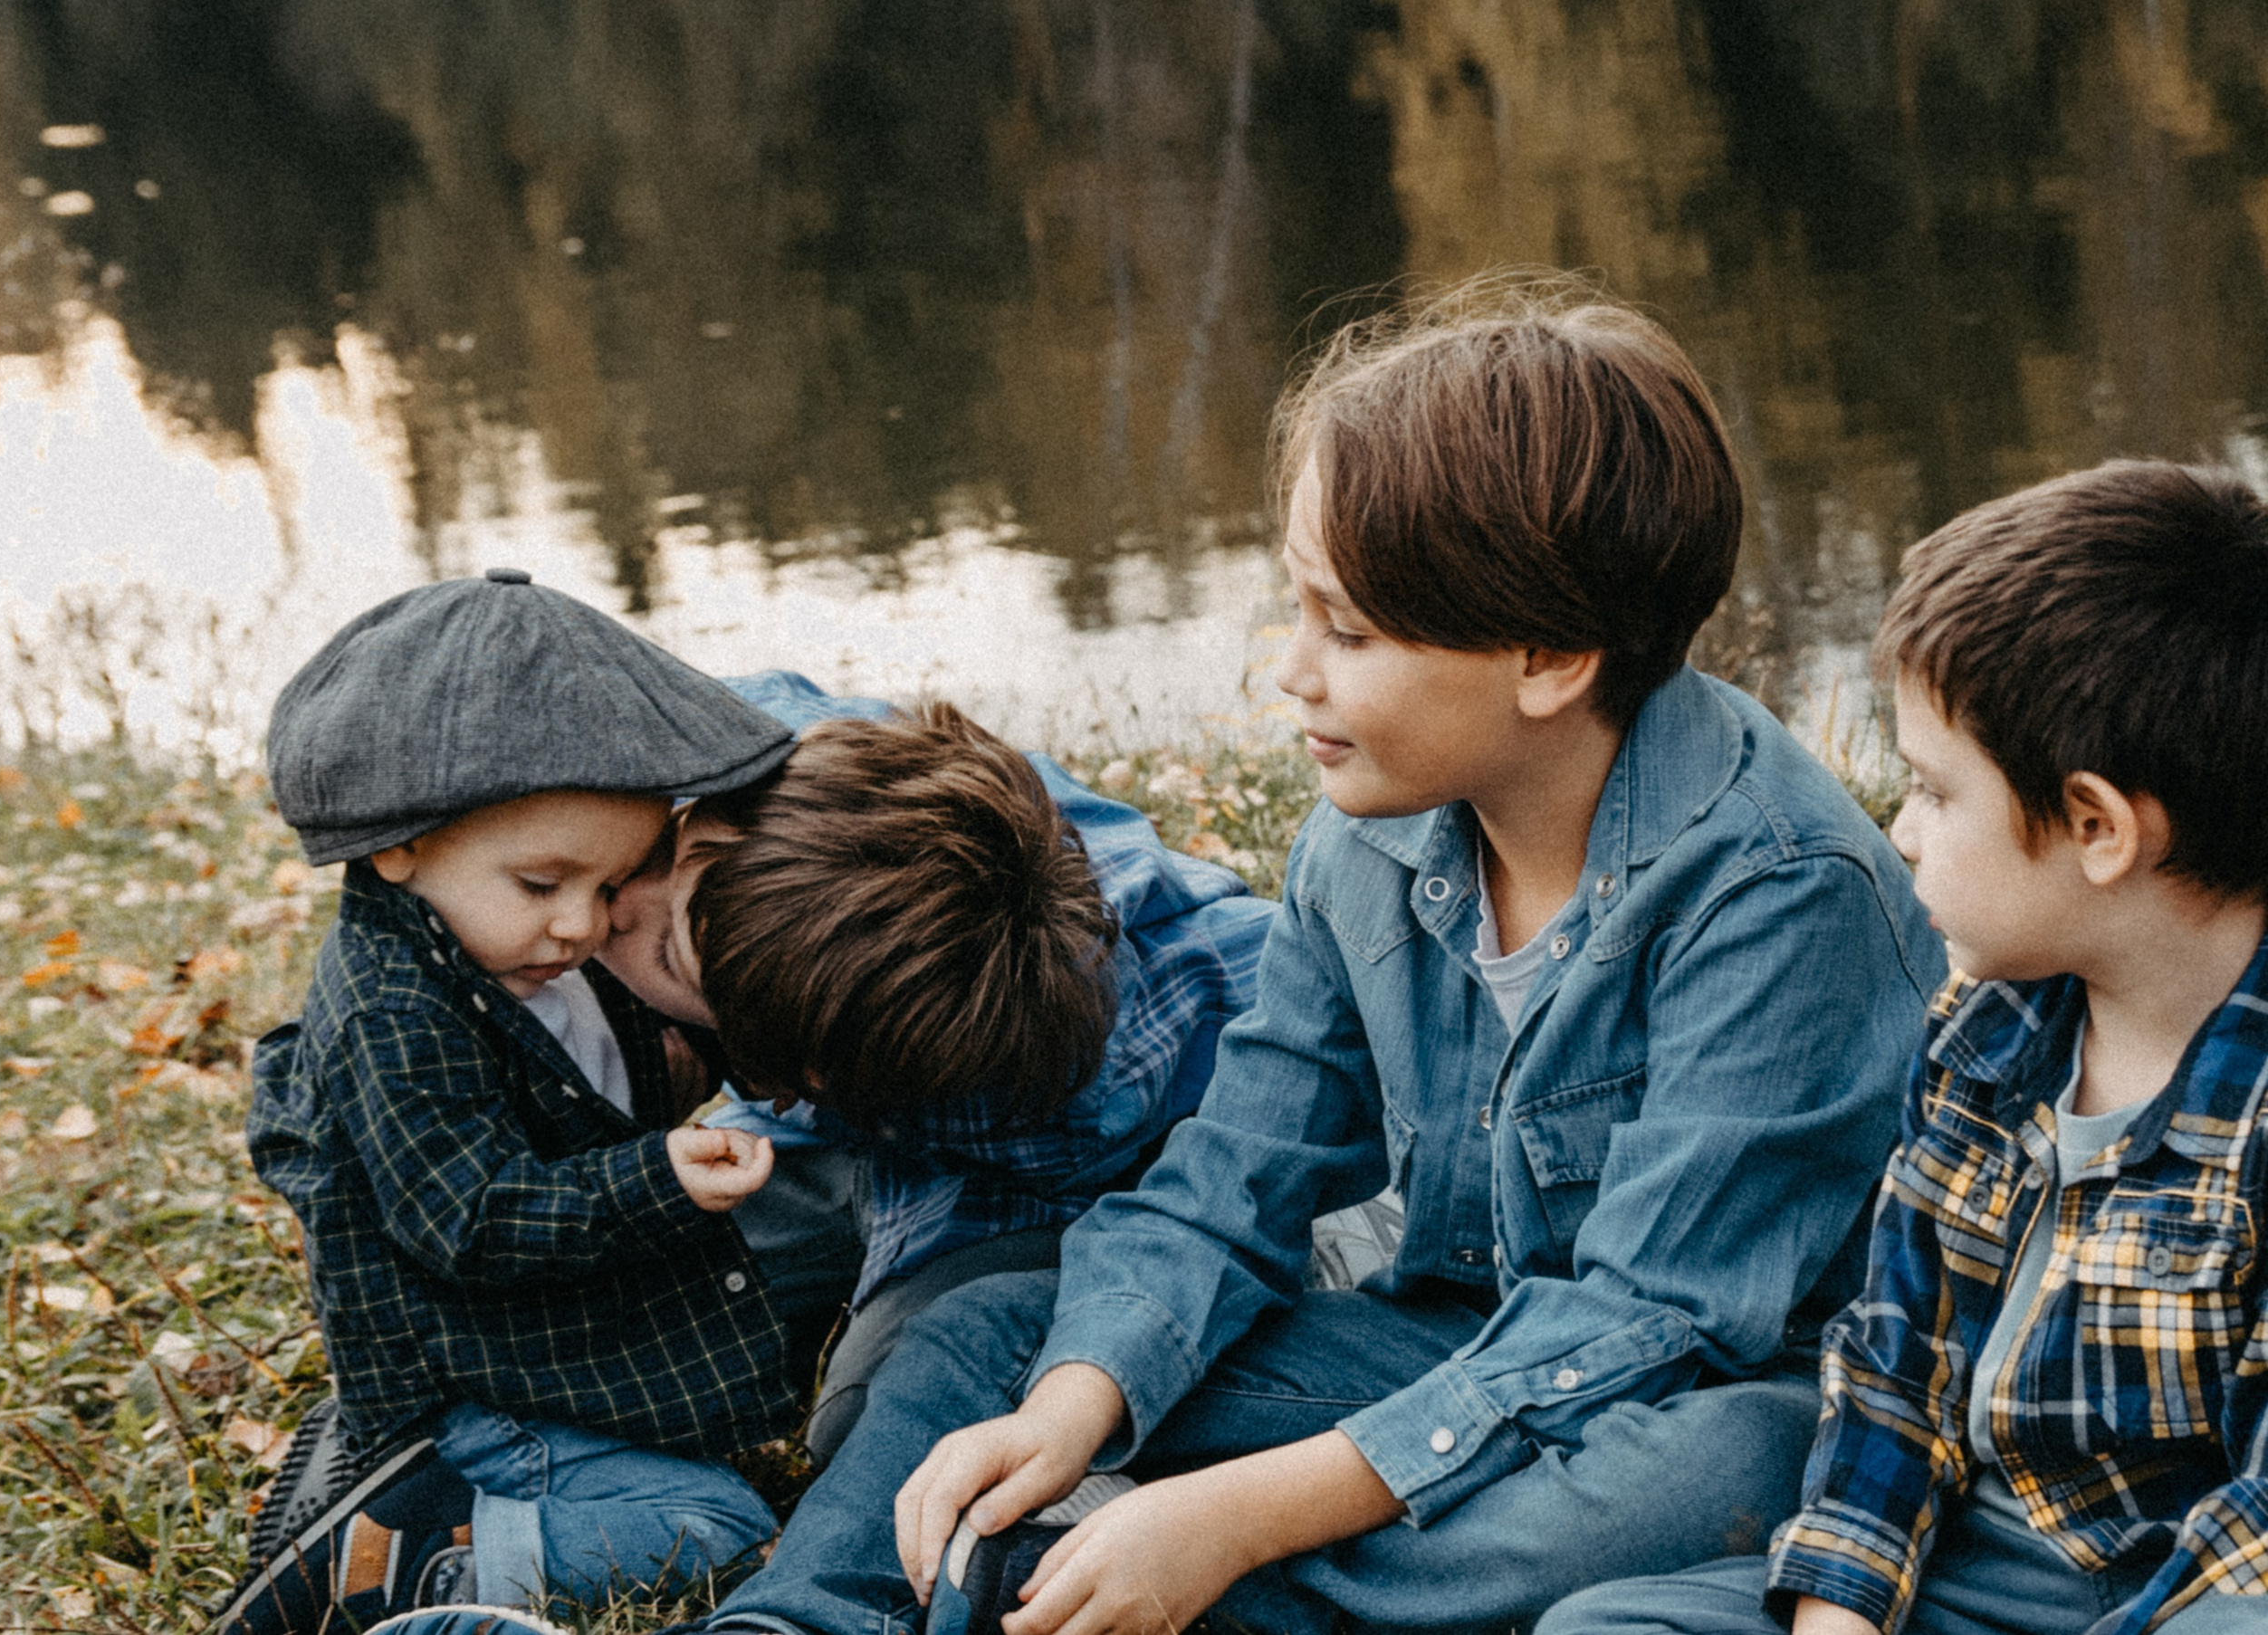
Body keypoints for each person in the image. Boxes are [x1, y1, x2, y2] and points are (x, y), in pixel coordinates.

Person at [696, 282, 1947, 1635]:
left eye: (1346, 630)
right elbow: (1237, 1174)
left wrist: (1232, 1514)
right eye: (1298, 610)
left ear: (1548, 656)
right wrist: (1075, 1402)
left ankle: (1124, 1586)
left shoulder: (1774, 891)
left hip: (1703, 1392)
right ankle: (800, 1618)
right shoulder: (1368, 840)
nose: (1291, 672)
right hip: (1448, 1347)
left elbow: (1643, 1327)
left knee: (1727, 1466)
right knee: (997, 1335)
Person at [1541, 461, 2268, 1635]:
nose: (1901, 829)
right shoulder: (1984, 1031)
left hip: (2183, 1588)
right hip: (1988, 1550)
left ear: (2097, 827)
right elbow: (1898, 1365)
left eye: (1934, 791)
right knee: (1606, 1627)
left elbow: (2255, 1535)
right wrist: (1843, 1616)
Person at [222, 569, 803, 1633]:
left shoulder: (520, 953)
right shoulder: (396, 1018)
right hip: (477, 1385)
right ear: (398, 843)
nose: (582, 924)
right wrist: (653, 1180)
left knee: (719, 1446)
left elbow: (616, 1066)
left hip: (535, 1349)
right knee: (723, 1530)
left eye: (613, 883)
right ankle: (410, 1548)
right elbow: (470, 1218)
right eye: (543, 885)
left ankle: (398, 1485)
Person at [593, 670, 1277, 1464]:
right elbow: (756, 706)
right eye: (666, 845)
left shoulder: (1097, 1078)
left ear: (801, 1074)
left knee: (872, 1426)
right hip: (857, 1121)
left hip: (1042, 1188)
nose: (607, 902)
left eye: (665, 954)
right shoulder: (806, 773)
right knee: (594, 1290)